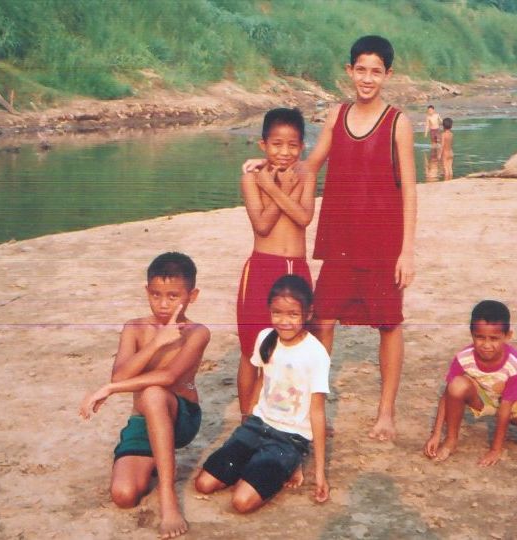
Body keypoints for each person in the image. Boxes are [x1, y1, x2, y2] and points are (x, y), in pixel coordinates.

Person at [305, 35, 417, 441]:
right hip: (340, 242)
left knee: (389, 324)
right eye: (361, 70)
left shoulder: (398, 123)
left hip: (383, 244)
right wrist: (269, 161)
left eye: (376, 71)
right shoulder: (336, 116)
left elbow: (409, 190)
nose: (367, 79)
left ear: (387, 75)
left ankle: (385, 412)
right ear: (349, 71)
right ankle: (316, 408)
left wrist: (407, 250)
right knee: (323, 319)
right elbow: (311, 165)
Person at [79, 252, 210, 539]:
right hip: (143, 420)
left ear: (193, 295)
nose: (163, 304)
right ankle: (154, 460)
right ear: (146, 291)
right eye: (156, 295)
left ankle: (168, 498)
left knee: (152, 393)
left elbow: (169, 377)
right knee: (123, 495)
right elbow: (120, 375)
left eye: (173, 296)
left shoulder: (197, 332)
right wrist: (157, 342)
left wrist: (111, 390)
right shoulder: (135, 328)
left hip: (181, 419)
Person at [195, 275, 330, 512]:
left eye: (293, 314)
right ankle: (255, 464)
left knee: (241, 502)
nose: (284, 321)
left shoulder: (315, 354)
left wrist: (320, 474)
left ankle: (289, 463)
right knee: (203, 484)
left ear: (308, 314)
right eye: (277, 312)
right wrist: (246, 419)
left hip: (289, 438)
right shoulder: (265, 338)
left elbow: (317, 413)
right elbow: (261, 381)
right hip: (257, 426)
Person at [236, 107, 316, 423]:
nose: (284, 152)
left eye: (292, 145)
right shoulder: (251, 178)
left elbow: (304, 217)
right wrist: (276, 187)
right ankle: (247, 417)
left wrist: (274, 189)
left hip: (297, 267)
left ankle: (290, 416)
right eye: (276, 144)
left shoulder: (306, 173)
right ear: (263, 145)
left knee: (293, 345)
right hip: (261, 268)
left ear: (302, 146)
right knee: (251, 348)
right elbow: (262, 226)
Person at [423, 300, 517, 466]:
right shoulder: (463, 358)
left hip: (511, 401)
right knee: (455, 385)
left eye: (494, 339)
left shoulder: (514, 363)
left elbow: (505, 407)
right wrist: (436, 434)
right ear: (472, 334)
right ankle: (451, 440)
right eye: (480, 337)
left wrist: (495, 450)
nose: (487, 345)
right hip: (482, 399)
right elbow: (446, 396)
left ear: (507, 336)